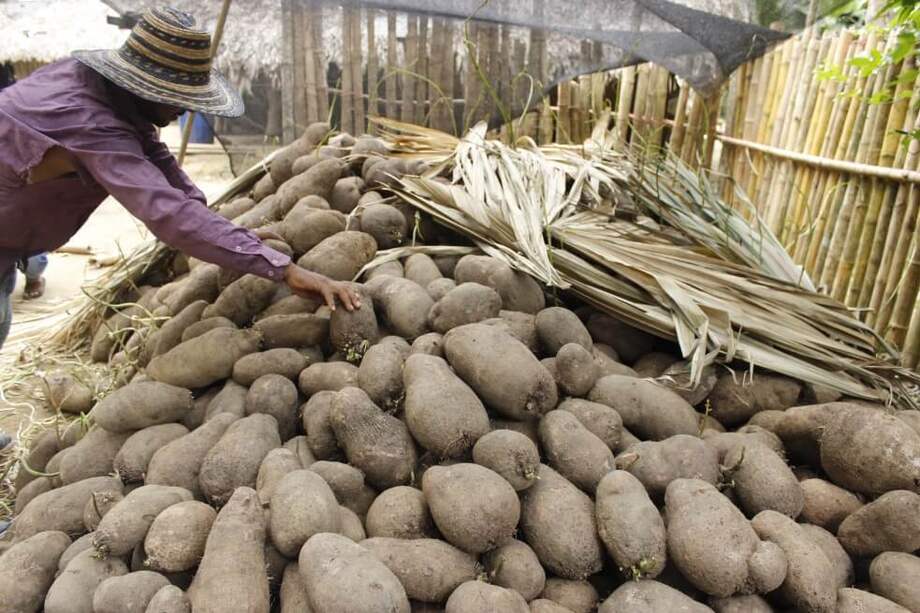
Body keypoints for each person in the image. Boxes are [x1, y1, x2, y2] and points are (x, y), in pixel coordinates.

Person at [0, 7, 359, 356]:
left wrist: (234, 237)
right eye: (177, 98)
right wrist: (284, 269)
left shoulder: (111, 94)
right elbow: (168, 214)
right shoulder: (90, 121)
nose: (185, 109)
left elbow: (163, 168)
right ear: (146, 88)